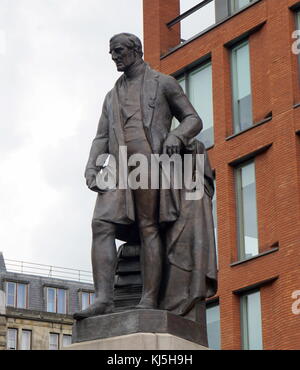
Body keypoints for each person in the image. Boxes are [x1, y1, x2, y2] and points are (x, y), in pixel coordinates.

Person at [73, 33, 204, 320]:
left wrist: (178, 135)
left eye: (118, 51)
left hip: (150, 164)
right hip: (119, 167)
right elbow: (102, 137)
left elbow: (193, 119)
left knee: (149, 227)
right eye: (111, 52)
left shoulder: (163, 83)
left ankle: (149, 298)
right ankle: (104, 299)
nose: (114, 57)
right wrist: (92, 166)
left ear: (136, 50)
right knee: (101, 224)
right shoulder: (111, 96)